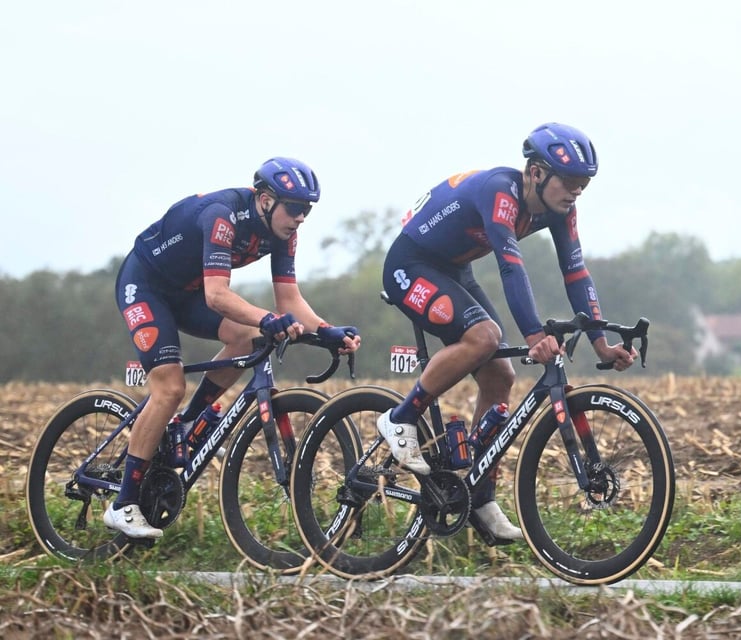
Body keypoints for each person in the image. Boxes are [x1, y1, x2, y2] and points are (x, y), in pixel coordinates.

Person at [379, 123, 638, 545]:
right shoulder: (501, 191)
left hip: (454, 269)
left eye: (583, 185)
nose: (575, 192)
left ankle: (479, 498)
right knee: (484, 337)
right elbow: (510, 267)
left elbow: (575, 272)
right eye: (569, 182)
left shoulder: (561, 211)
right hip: (410, 265)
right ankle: (400, 418)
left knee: (500, 376)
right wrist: (534, 333)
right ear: (536, 172)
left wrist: (600, 344)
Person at [108, 157, 361, 538]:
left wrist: (326, 330)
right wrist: (265, 318)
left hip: (187, 292)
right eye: (294, 208)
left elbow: (289, 299)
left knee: (246, 337)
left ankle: (190, 422)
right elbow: (217, 295)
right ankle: (123, 503)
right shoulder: (222, 216)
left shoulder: (284, 233)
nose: (300, 218)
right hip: (146, 287)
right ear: (264, 200)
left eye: (306, 210)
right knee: (170, 387)